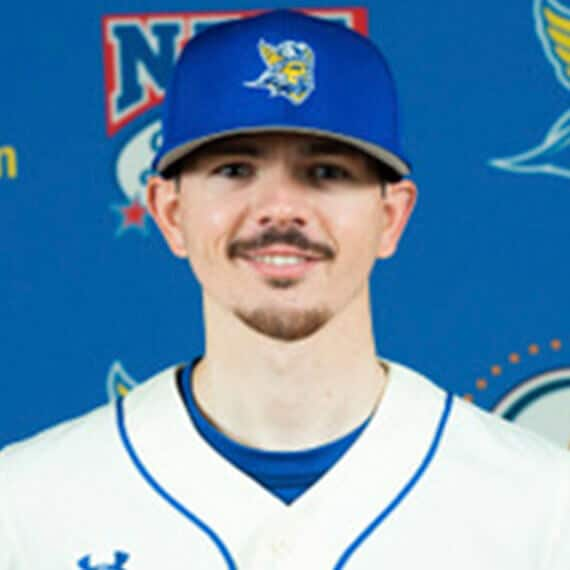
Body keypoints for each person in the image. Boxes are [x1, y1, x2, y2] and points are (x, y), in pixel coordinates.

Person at [1, 9, 569, 570]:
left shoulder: (544, 508)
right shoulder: (26, 508)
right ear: (170, 213)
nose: (279, 209)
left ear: (391, 218)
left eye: (326, 172)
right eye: (234, 170)